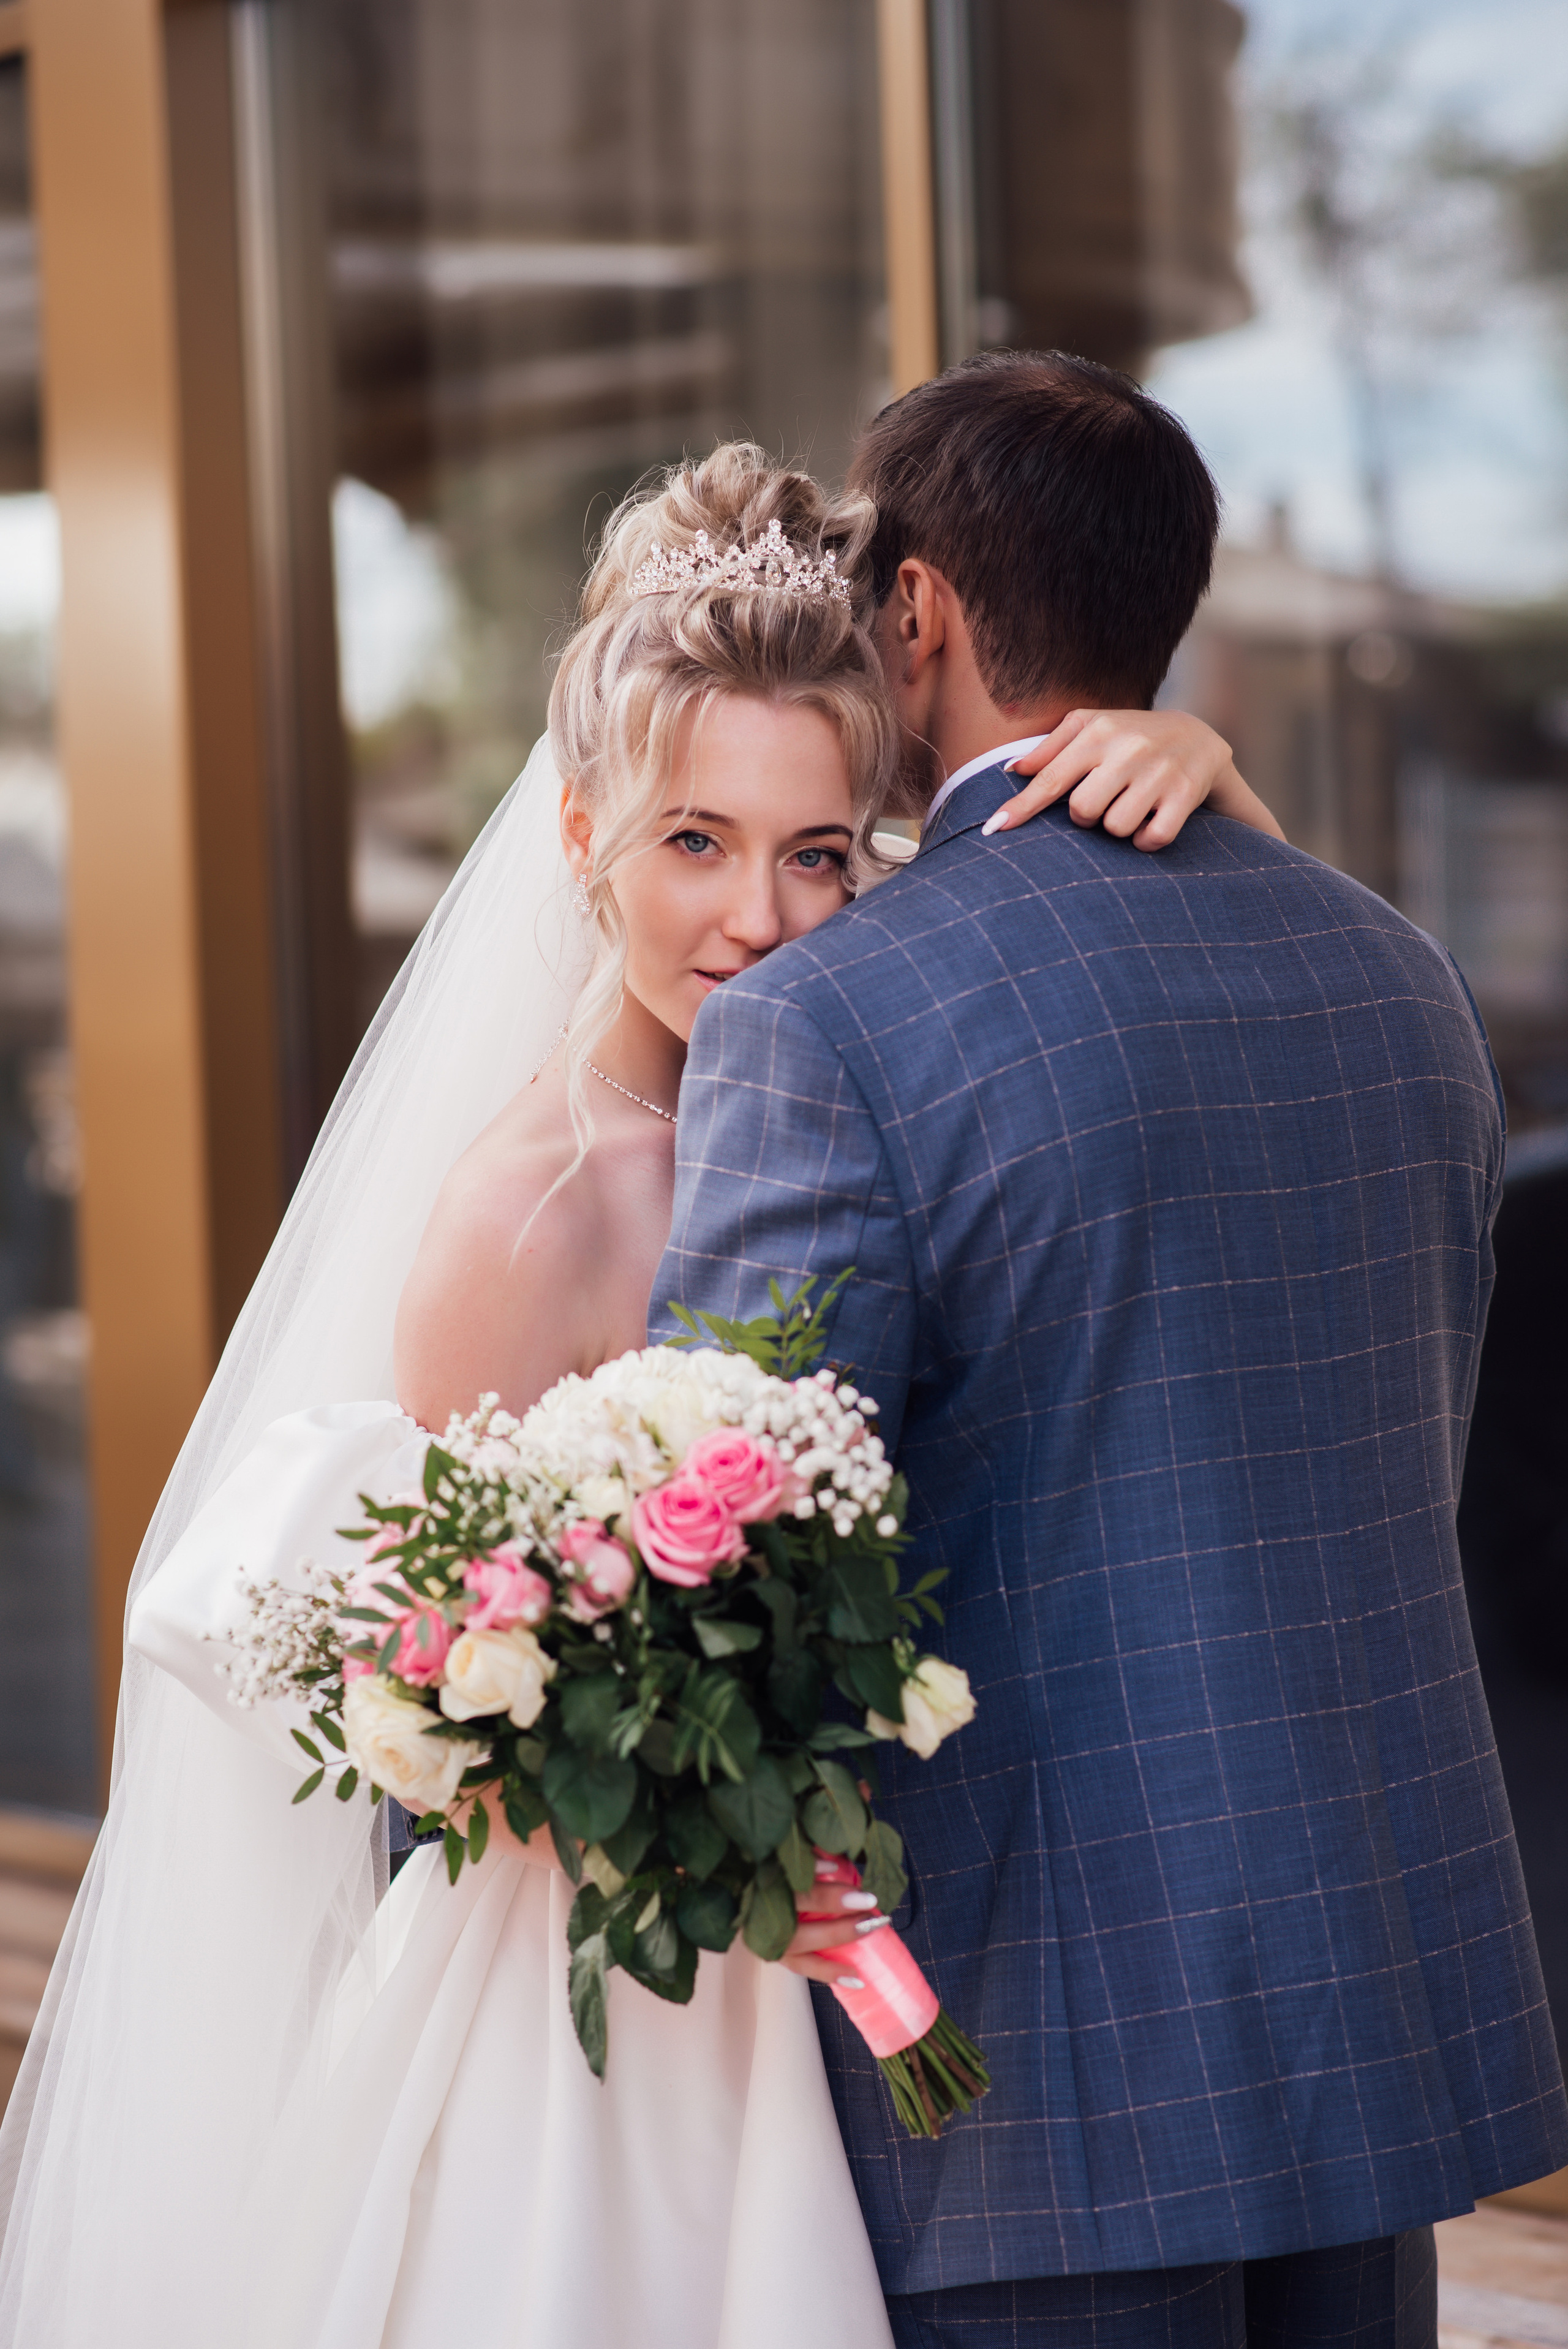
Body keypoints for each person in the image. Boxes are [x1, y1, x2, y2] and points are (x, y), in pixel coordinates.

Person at [0, 440, 1270, 2349]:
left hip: (906, 1980)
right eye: (694, 841)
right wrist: (716, 1791)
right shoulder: (532, 1205)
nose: (758, 915)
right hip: (623, 2017)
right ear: (583, 831)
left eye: (818, 851)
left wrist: (1205, 773)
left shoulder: (858, 1099)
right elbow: (455, 1704)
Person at [652, 357, 1568, 2349]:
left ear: (915, 612)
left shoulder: (830, 1018)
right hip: (1371, 2019)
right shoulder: (1404, 978)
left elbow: (730, 1554)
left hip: (1036, 2071)